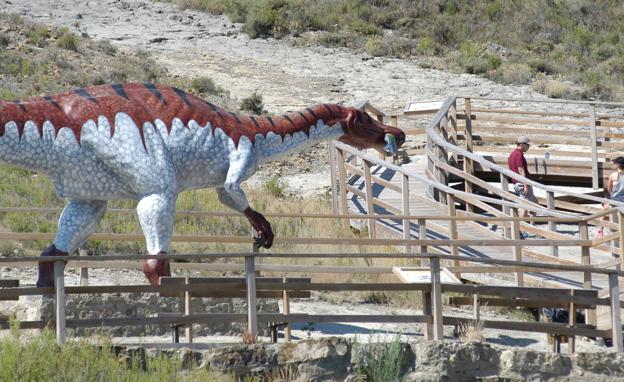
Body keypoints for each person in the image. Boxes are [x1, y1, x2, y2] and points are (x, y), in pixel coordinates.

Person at [508, 135, 538, 219]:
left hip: (517, 183)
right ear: (522, 145)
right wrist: (525, 185)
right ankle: (520, 229)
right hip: (522, 184)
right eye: (527, 145)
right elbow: (520, 170)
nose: (528, 147)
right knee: (525, 208)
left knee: (534, 203)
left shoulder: (512, 154)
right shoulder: (518, 155)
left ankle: (530, 227)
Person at [597, 156, 624, 238]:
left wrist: (613, 194)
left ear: (618, 165)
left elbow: (609, 189)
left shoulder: (613, 175)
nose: (614, 164)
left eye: (614, 163)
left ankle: (600, 230)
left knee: (603, 212)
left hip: (616, 199)